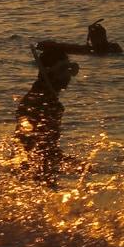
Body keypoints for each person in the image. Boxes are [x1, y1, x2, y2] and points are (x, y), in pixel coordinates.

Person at [17, 44, 79, 186]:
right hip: (33, 175)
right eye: (63, 69)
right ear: (49, 72)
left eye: (71, 69)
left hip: (40, 170)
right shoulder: (40, 102)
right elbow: (37, 148)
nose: (68, 76)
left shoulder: (48, 100)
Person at [35, 18, 124, 57]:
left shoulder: (112, 48)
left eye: (93, 37)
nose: (92, 40)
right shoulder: (114, 47)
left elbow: (65, 47)